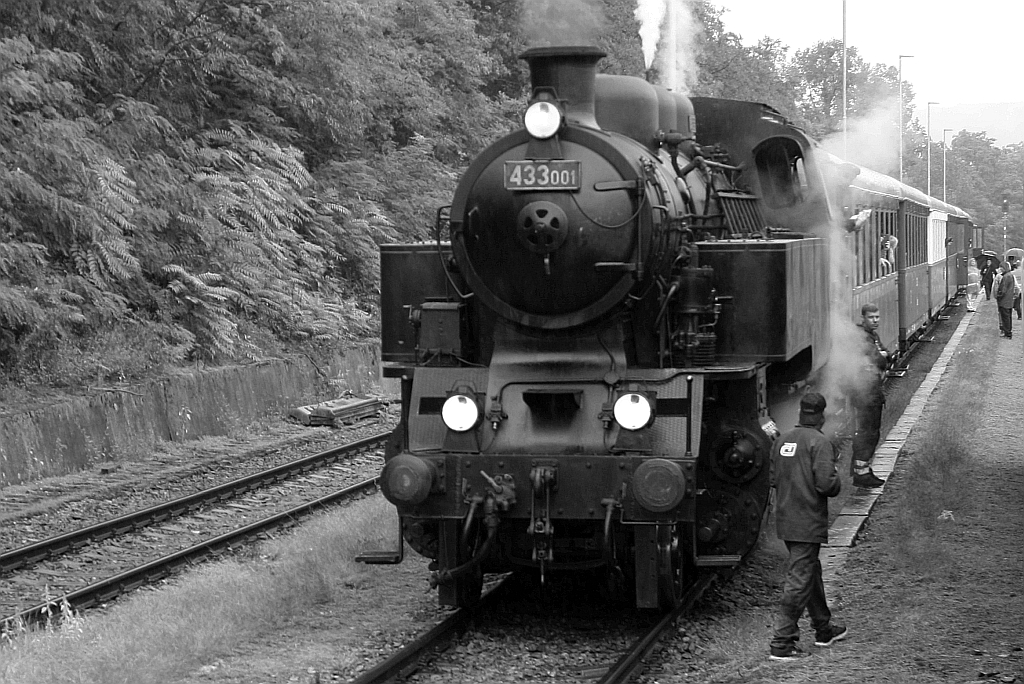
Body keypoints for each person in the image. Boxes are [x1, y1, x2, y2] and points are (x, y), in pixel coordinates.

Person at [768, 392, 847, 661]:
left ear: (801, 413)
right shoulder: (819, 442)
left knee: (810, 571)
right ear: (821, 416)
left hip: (786, 519)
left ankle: (824, 629)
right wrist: (836, 478)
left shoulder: (782, 440)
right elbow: (827, 485)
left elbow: (773, 479)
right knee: (800, 578)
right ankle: (782, 642)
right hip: (807, 521)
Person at [850, 303, 888, 488]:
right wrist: (882, 356)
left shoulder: (872, 336)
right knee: (868, 433)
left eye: (877, 317)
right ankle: (861, 474)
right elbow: (880, 359)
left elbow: (885, 354)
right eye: (871, 317)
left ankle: (863, 469)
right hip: (866, 393)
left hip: (872, 391)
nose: (875, 320)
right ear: (863, 318)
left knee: (871, 432)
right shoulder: (864, 338)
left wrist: (884, 355)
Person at [995, 262, 1015, 339]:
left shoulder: (1006, 277)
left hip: (1004, 300)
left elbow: (1003, 289)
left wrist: (999, 296)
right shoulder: (1010, 275)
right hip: (1009, 300)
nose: (1000, 269)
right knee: (1008, 317)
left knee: (1005, 317)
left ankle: (1007, 333)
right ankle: (1008, 332)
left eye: (1001, 267)